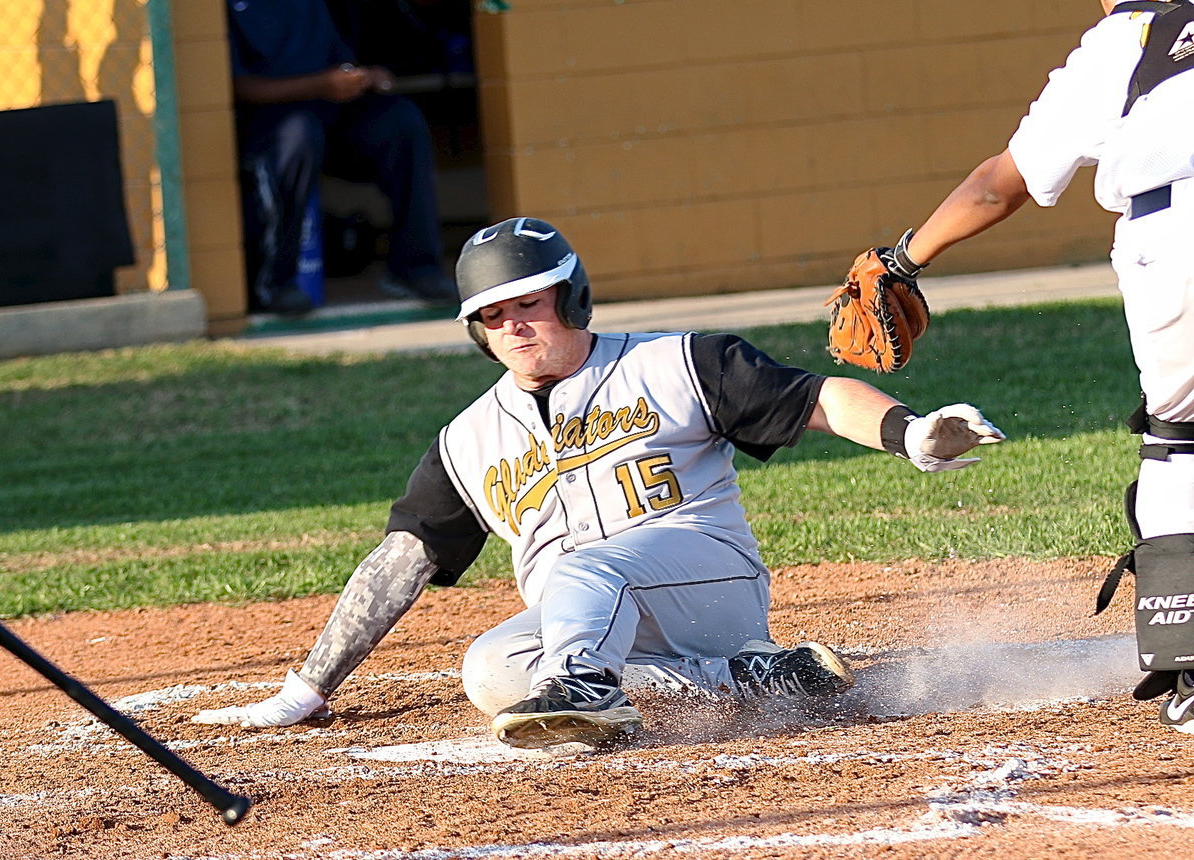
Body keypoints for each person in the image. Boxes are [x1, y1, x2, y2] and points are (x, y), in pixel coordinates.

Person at [193, 216, 1004, 750]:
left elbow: (815, 398)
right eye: (491, 315)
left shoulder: (675, 363)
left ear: (571, 294)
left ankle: (591, 681)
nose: (512, 324)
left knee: (588, 562)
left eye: (528, 302)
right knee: (489, 669)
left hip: (703, 579)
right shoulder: (468, 438)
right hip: (598, 623)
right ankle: (758, 678)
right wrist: (308, 687)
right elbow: (404, 557)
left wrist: (908, 431)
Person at [842, 0, 1194, 730]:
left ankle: (1191, 661)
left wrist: (903, 261)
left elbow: (999, 183)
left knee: (1182, 440)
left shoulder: (1121, 35)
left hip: (1173, 238)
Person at [221, 0, 457, 316]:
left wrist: (362, 76)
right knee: (297, 133)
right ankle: (273, 284)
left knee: (400, 122)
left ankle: (416, 267)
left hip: (328, 113)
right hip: (267, 126)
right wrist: (320, 85)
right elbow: (238, 87)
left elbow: (336, 57)